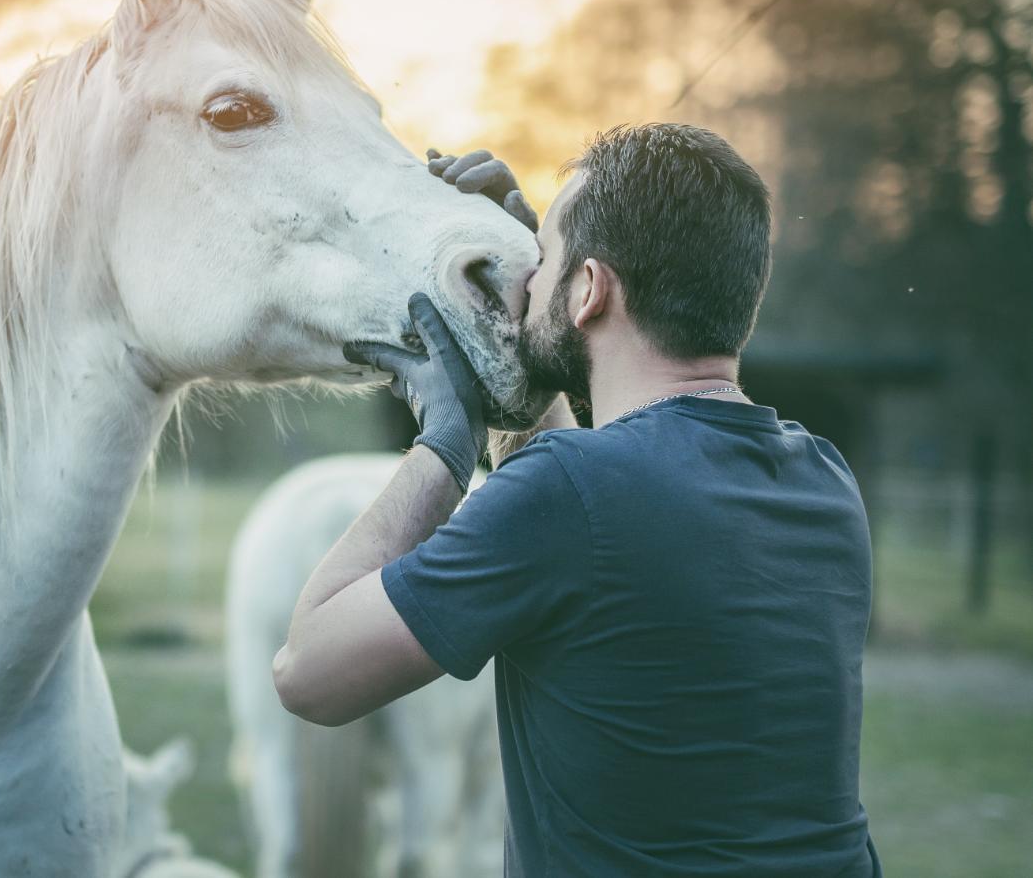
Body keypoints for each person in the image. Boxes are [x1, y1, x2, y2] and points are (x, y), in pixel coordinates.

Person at [271, 124, 881, 876]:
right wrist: (526, 325)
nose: (529, 282)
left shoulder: (571, 494)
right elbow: (587, 505)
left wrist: (445, 444)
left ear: (590, 290)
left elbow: (308, 671)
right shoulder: (825, 482)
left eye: (547, 263)